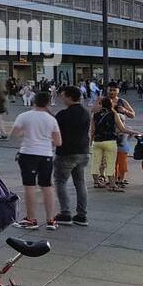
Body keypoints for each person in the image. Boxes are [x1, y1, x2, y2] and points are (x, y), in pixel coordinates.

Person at [8, 89, 62, 229]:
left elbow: (14, 135)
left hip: (28, 153)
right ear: (48, 103)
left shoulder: (24, 116)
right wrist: (45, 138)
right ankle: (51, 219)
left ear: (34, 101)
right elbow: (58, 142)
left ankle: (31, 219)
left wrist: (26, 134)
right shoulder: (51, 119)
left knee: (29, 186)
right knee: (47, 186)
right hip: (46, 155)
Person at [53, 86, 90, 226]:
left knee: (60, 181)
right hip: (83, 151)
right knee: (80, 183)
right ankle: (82, 215)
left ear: (69, 97)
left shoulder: (63, 114)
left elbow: (54, 130)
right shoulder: (86, 113)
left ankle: (65, 213)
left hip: (66, 152)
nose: (62, 98)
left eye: (63, 96)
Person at [90, 96, 124, 190]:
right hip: (110, 141)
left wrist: (90, 142)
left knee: (95, 162)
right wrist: (133, 132)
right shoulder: (114, 114)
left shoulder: (95, 114)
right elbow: (122, 128)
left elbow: (92, 130)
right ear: (111, 104)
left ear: (101, 104)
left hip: (97, 141)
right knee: (110, 163)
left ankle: (96, 182)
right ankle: (112, 184)